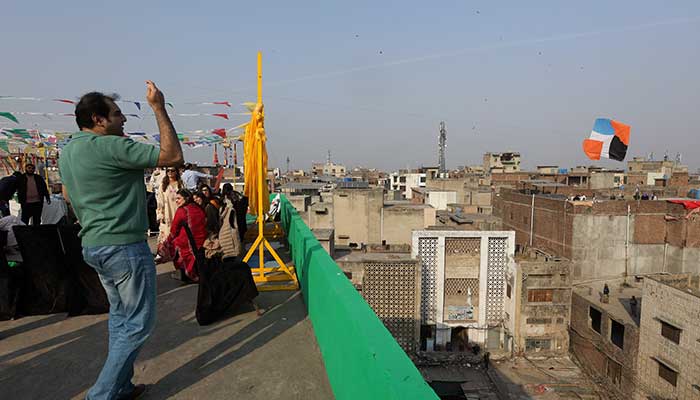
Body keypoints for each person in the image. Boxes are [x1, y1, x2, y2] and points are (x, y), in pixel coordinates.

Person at [59, 81, 183, 400]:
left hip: (94, 245)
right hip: (124, 246)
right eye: (117, 114)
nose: (124, 120)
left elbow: (67, 196)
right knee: (139, 323)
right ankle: (101, 395)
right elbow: (172, 155)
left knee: (120, 318)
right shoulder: (113, 146)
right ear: (98, 120)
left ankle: (120, 387)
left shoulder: (70, 149)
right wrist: (158, 107)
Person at [163, 189, 207, 281]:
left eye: (179, 198)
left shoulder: (182, 211)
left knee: (172, 244)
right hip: (201, 240)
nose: (176, 201)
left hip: (188, 242)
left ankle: (184, 273)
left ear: (186, 198)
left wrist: (166, 242)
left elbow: (174, 230)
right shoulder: (198, 208)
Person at [156, 167, 183, 244]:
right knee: (167, 233)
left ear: (176, 172)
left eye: (172, 170)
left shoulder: (181, 184)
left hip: (178, 211)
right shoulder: (163, 185)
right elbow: (160, 201)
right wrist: (160, 215)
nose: (170, 172)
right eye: (168, 170)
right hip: (167, 212)